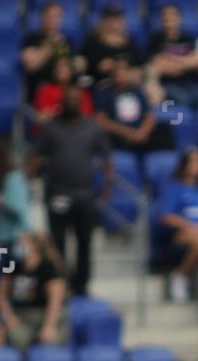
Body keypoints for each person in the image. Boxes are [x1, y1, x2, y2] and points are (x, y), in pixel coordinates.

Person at [35, 95, 113, 297]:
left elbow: (106, 157)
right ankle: (61, 283)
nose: (72, 105)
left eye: (75, 102)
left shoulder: (91, 127)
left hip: (84, 195)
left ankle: (81, 285)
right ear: (62, 105)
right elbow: (37, 155)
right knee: (57, 243)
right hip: (58, 193)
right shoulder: (51, 127)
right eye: (69, 102)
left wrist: (107, 185)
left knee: (84, 242)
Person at [158, 147, 198, 302]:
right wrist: (190, 225)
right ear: (185, 164)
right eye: (194, 161)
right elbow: (166, 216)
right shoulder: (175, 187)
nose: (197, 165)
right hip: (182, 233)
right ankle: (180, 277)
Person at [0, 232, 69, 348]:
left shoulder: (48, 267)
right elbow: (1, 295)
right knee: (17, 338)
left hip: (44, 314)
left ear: (35, 246)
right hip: (22, 316)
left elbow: (55, 301)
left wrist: (49, 326)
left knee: (49, 343)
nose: (18, 246)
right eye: (17, 243)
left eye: (22, 243)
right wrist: (10, 319)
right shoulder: (12, 266)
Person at [147, 4, 198, 110]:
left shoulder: (188, 38)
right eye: (166, 16)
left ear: (179, 18)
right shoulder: (155, 40)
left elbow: (197, 61)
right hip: (167, 83)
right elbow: (158, 66)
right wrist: (186, 62)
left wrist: (170, 59)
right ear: (161, 20)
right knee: (184, 99)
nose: (169, 19)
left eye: (173, 16)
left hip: (189, 82)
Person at [94, 57, 158, 154]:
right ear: (112, 73)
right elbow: (101, 120)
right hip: (117, 138)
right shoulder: (104, 92)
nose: (120, 73)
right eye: (117, 70)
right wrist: (126, 133)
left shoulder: (138, 91)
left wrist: (142, 133)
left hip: (139, 136)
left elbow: (149, 117)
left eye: (124, 69)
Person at [20, 2, 74, 98]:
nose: (53, 20)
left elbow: (74, 65)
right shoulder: (32, 39)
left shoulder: (66, 41)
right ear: (41, 18)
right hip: (40, 91)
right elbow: (31, 66)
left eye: (57, 16)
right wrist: (49, 46)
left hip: (64, 91)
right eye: (50, 16)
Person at [0, 145, 31, 249]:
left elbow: (19, 210)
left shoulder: (13, 179)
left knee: (10, 265)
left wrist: (0, 203)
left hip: (14, 239)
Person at [84, 3, 140, 82]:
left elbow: (138, 66)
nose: (115, 23)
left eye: (118, 18)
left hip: (126, 84)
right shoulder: (93, 42)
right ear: (104, 21)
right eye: (111, 19)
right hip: (101, 83)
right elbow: (97, 67)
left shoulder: (130, 42)